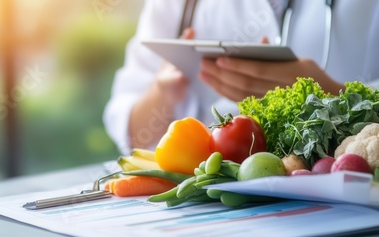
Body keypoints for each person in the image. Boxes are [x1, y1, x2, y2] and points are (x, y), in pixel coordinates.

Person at [103, 0, 379, 155]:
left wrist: (330, 95)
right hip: (207, 205)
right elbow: (131, 131)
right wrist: (162, 92)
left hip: (338, 202)